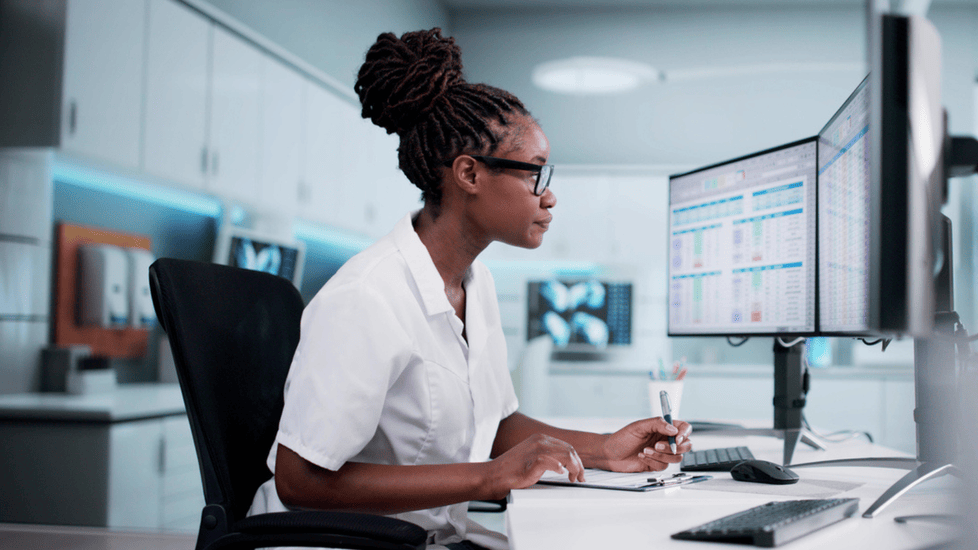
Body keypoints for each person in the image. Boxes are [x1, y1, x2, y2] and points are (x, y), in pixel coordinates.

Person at [248, 28, 693, 550]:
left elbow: (497, 423)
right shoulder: (366, 297)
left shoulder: (471, 285)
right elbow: (300, 481)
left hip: (427, 538)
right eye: (534, 173)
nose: (548, 197)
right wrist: (490, 476)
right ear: (469, 174)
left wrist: (605, 449)